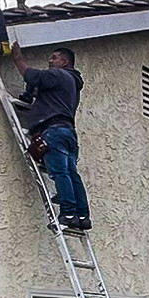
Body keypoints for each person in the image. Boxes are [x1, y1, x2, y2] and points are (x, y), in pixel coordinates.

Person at [10, 45, 91, 231]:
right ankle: (83, 216)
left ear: (65, 62)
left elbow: (34, 77)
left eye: (54, 58)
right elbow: (47, 91)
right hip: (68, 132)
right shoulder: (72, 83)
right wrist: (34, 94)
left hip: (54, 131)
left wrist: (18, 60)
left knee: (60, 173)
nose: (50, 61)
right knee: (71, 173)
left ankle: (68, 213)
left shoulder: (59, 75)